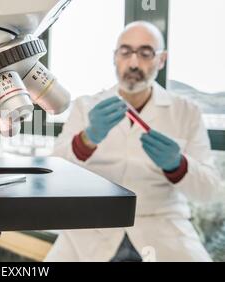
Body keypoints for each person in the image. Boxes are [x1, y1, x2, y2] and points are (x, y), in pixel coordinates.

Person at [46, 21, 221, 262]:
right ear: (115, 57)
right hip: (91, 228)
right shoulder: (86, 106)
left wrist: (178, 166)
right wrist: (86, 140)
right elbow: (54, 174)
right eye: (126, 51)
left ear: (162, 59)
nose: (134, 63)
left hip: (162, 226)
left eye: (146, 53)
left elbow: (210, 191)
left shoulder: (186, 112)